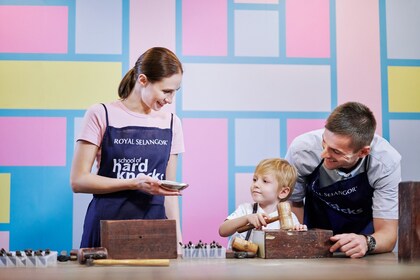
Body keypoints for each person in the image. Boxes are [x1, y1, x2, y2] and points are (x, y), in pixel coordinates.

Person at [70, 47, 185, 248]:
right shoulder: (101, 114)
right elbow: (78, 181)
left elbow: (170, 193)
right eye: (166, 91)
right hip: (105, 228)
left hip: (154, 231)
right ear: (142, 80)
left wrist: (178, 241)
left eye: (175, 92)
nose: (170, 99)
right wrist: (133, 183)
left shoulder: (172, 123)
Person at [285, 101, 401, 258]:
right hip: (314, 235)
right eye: (324, 143)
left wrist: (367, 243)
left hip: (360, 245)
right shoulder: (303, 151)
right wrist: (298, 243)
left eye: (336, 151)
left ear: (363, 152)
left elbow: (388, 234)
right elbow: (293, 203)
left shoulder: (385, 162)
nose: (324, 154)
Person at [219, 158, 307, 249]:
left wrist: (299, 232)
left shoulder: (290, 218)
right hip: (242, 262)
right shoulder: (245, 209)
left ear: (283, 192)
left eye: (265, 181)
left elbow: (294, 247)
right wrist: (246, 219)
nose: (256, 184)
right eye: (255, 179)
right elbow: (222, 231)